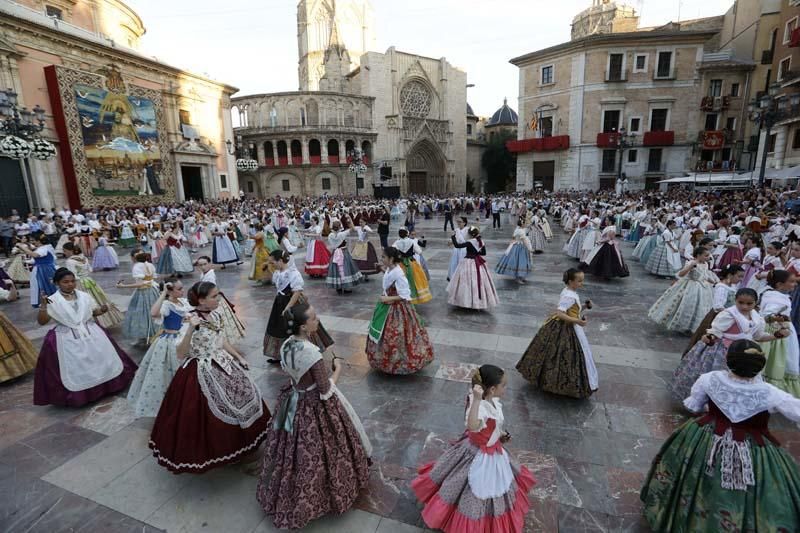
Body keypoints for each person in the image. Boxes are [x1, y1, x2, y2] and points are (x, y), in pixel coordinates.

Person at [640, 339, 800, 532]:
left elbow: (694, 404)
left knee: (692, 478)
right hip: (752, 446)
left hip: (704, 438)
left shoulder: (710, 379)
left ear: (728, 359)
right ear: (759, 366)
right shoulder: (770, 393)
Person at [256, 302, 371, 530]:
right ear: (304, 327)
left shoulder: (286, 344)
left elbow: (292, 374)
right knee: (324, 448)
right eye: (314, 318)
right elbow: (325, 390)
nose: (317, 321)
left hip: (291, 400)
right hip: (312, 405)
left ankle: (284, 489)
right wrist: (337, 369)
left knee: (287, 449)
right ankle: (323, 495)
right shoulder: (312, 353)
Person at [149, 281, 270, 473]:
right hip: (200, 368)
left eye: (218, 294)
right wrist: (190, 329)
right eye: (214, 296)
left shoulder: (217, 314)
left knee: (244, 398)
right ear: (201, 300)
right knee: (206, 413)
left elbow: (220, 341)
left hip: (223, 362)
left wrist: (238, 357)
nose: (218, 298)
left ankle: (242, 446)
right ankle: (224, 450)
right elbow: (180, 353)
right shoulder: (189, 319)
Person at [411, 365, 536, 532]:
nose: (506, 388)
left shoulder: (491, 401)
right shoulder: (479, 406)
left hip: (492, 448)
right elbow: (472, 425)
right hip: (479, 454)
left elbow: (491, 426)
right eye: (503, 385)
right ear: (492, 389)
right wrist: (477, 400)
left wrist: (500, 434)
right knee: (475, 488)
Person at [33, 268, 137, 406]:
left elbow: (94, 312)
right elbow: (42, 321)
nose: (70, 284)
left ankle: (108, 386)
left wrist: (104, 309)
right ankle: (83, 395)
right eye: (65, 282)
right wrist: (43, 306)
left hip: (91, 332)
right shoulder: (52, 300)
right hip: (67, 337)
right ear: (57, 283)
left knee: (101, 360)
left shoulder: (84, 295)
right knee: (76, 366)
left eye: (72, 281)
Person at [669, 287, 780, 401]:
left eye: (749, 303)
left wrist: (776, 335)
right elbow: (715, 331)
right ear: (735, 300)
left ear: (755, 303)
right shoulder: (729, 315)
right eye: (740, 303)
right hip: (722, 350)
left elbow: (758, 336)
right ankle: (707, 402)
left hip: (745, 353)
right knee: (717, 377)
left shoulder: (757, 317)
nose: (744, 306)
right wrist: (710, 337)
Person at [516, 268, 598, 398]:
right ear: (571, 281)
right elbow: (560, 313)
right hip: (566, 328)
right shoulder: (568, 295)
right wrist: (578, 321)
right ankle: (559, 383)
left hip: (567, 325)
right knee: (564, 354)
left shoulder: (569, 291)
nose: (582, 283)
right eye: (579, 281)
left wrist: (584, 306)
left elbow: (571, 310)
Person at [126, 280, 192, 418]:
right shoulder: (167, 305)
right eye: (179, 289)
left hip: (185, 339)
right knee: (169, 371)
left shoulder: (183, 302)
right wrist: (163, 294)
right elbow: (154, 313)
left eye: (182, 288)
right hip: (170, 342)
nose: (182, 291)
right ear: (170, 291)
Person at [366, 246, 434, 374]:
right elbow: (388, 276)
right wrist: (381, 268)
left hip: (397, 309)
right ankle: (386, 362)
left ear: (391, 259)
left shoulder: (399, 274)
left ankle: (399, 364)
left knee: (397, 336)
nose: (382, 259)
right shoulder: (391, 269)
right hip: (386, 305)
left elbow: (404, 295)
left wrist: (388, 299)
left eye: (384, 257)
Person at [263, 250, 334, 364]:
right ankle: (280, 354)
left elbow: (296, 292)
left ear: (280, 261)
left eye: (273, 262)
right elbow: (278, 283)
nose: (272, 265)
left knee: (296, 327)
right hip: (280, 302)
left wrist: (287, 308)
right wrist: (268, 269)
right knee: (279, 327)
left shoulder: (293, 273)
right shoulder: (278, 272)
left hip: (292, 303)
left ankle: (304, 353)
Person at [647, 246, 717, 334]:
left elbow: (704, 275)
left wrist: (711, 281)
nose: (708, 258)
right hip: (691, 286)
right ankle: (682, 324)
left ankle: (694, 326)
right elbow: (681, 274)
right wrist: (690, 267)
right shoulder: (691, 263)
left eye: (708, 256)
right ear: (698, 255)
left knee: (701, 307)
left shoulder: (705, 264)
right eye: (706, 256)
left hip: (702, 287)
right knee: (685, 305)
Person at [683, 264, 743, 355]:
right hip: (717, 317)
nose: (741, 279)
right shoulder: (722, 287)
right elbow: (718, 306)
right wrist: (732, 314)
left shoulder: (732, 286)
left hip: (726, 317)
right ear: (730, 275)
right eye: (739, 276)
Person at [759, 269, 800, 398]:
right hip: (779, 333)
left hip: (782, 328)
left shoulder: (771, 294)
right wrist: (781, 327)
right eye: (791, 282)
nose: (795, 284)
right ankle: (777, 390)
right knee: (783, 359)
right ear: (779, 285)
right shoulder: (776, 299)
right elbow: (769, 316)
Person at [63, 243, 123, 329]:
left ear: (70, 250)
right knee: (97, 299)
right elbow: (90, 270)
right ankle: (106, 320)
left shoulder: (70, 261)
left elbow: (73, 276)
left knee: (83, 303)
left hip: (79, 283)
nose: (64, 252)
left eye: (64, 250)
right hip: (89, 281)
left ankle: (90, 324)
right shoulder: (84, 258)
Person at [196, 255, 245, 344]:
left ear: (209, 264)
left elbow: (210, 292)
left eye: (205, 264)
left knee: (219, 321)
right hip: (209, 299)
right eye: (200, 265)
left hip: (213, 300)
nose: (203, 267)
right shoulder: (204, 274)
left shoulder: (210, 276)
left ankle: (221, 341)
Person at [447, 226, 498, 310]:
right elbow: (483, 253)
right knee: (478, 281)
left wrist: (453, 236)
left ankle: (466, 301)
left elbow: (457, 245)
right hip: (477, 262)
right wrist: (476, 253)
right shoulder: (480, 241)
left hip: (468, 262)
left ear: (470, 235)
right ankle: (477, 301)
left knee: (466, 281)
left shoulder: (470, 242)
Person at [118, 252, 160, 343]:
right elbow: (152, 278)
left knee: (140, 313)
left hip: (142, 292)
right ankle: (154, 331)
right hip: (153, 290)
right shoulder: (150, 265)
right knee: (154, 310)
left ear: (135, 258)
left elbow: (140, 284)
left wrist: (122, 286)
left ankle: (144, 334)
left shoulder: (137, 267)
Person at [393, 228, 433, 305]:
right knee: (415, 279)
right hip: (411, 262)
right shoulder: (411, 242)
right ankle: (413, 296)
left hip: (401, 264)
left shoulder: (396, 243)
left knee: (401, 279)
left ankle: (401, 296)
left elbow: (393, 252)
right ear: (407, 234)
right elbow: (419, 251)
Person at [325, 218, 363, 293]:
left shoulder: (330, 235)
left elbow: (333, 245)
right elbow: (352, 228)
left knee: (336, 269)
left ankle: (338, 287)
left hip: (335, 253)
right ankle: (346, 287)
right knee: (345, 268)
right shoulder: (342, 234)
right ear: (339, 227)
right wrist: (350, 220)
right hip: (343, 252)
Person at [22, 234, 57, 308]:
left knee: (44, 286)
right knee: (48, 285)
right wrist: (28, 261)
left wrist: (23, 248)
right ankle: (50, 302)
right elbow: (38, 259)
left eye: (33, 240)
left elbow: (35, 255)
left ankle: (49, 302)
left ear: (38, 241)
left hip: (43, 270)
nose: (32, 242)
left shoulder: (43, 248)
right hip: (46, 268)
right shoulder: (47, 247)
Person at [495, 217, 533, 284]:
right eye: (525, 223)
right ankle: (518, 278)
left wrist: (513, 242)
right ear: (522, 224)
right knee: (520, 262)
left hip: (516, 246)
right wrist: (529, 248)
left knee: (519, 262)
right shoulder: (520, 231)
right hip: (520, 247)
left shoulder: (518, 229)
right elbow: (524, 240)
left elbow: (513, 237)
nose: (526, 224)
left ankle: (521, 277)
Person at [447, 217, 469, 282]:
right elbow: (451, 241)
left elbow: (476, 233)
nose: (458, 223)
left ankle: (463, 278)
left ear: (464, 223)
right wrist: (450, 241)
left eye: (460, 222)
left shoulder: (467, 230)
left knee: (463, 264)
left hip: (464, 249)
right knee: (454, 264)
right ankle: (455, 278)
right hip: (456, 250)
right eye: (458, 222)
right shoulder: (456, 230)